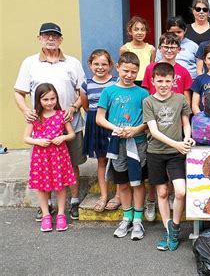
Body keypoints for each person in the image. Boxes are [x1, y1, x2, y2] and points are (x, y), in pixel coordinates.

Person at [14, 22, 86, 221]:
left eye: (55, 35)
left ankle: (74, 201)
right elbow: (19, 93)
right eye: (46, 36)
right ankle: (47, 205)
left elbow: (82, 93)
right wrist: (26, 110)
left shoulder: (73, 63)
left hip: (70, 124)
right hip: (42, 129)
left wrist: (73, 107)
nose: (51, 39)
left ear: (61, 39)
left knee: (72, 163)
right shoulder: (30, 63)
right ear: (39, 38)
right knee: (44, 165)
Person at [96, 52, 149, 240]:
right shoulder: (108, 92)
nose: (129, 75)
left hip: (139, 144)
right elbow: (99, 118)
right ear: (117, 67)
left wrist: (136, 129)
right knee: (123, 182)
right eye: (125, 70)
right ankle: (126, 217)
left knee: (138, 182)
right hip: (117, 144)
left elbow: (149, 120)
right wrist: (116, 128)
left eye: (133, 72)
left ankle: (138, 219)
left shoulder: (143, 93)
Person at [143, 62, 194, 251]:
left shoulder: (180, 99)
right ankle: (168, 230)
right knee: (162, 192)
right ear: (153, 81)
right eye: (159, 81)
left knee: (180, 191)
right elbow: (154, 131)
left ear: (173, 81)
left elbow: (186, 123)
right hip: (156, 152)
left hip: (176, 154)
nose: (163, 85)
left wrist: (187, 139)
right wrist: (178, 144)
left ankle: (175, 225)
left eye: (167, 81)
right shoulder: (148, 101)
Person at [24, 83, 76, 232]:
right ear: (38, 100)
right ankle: (46, 215)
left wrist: (63, 138)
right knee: (41, 186)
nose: (49, 102)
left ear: (56, 98)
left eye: (52, 99)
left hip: (59, 156)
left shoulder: (62, 115)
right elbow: (26, 138)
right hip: (41, 157)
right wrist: (38, 141)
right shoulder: (34, 117)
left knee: (60, 185)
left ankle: (61, 214)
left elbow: (71, 134)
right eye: (45, 99)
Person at [80, 49, 119, 213]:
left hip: (113, 122)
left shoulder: (116, 82)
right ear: (90, 64)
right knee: (101, 160)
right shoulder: (86, 84)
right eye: (96, 64)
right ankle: (103, 196)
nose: (100, 67)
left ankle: (118, 196)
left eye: (104, 64)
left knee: (117, 160)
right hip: (95, 123)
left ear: (111, 65)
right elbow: (86, 106)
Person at [143, 33, 193, 107]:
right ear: (159, 48)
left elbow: (187, 99)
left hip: (176, 113)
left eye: (173, 47)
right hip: (155, 111)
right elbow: (146, 93)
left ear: (179, 49)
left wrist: (185, 116)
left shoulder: (184, 71)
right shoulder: (150, 68)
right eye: (166, 47)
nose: (169, 51)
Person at [119, 16, 156, 85]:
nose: (140, 33)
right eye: (136, 29)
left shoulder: (151, 49)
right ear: (130, 31)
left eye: (142, 30)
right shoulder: (125, 49)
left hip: (146, 83)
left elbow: (152, 68)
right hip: (130, 81)